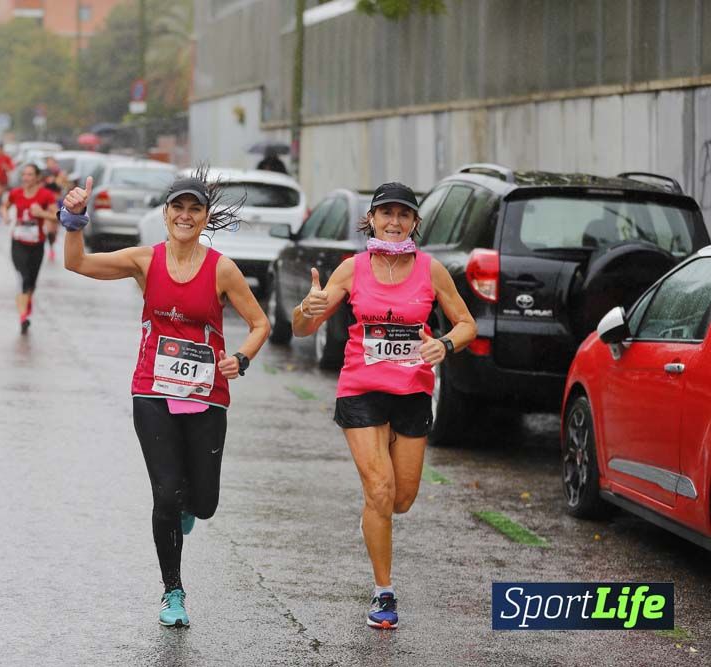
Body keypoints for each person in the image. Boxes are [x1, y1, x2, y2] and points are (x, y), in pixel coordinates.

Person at [60, 169, 270, 628]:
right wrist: (74, 219)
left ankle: (190, 507)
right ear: (166, 213)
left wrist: (242, 357)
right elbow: (77, 264)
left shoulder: (222, 269)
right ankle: (173, 591)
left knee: (205, 502)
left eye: (195, 209)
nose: (186, 215)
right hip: (152, 390)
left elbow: (260, 325)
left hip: (207, 395)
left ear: (205, 216)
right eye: (179, 207)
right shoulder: (145, 261)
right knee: (165, 493)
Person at [292, 182, 476, 630]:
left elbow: (466, 323)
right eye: (386, 213)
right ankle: (383, 592)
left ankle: (374, 521)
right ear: (371, 219)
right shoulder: (352, 269)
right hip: (361, 388)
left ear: (415, 223)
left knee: (401, 498)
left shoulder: (431, 271)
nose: (394, 222)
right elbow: (301, 328)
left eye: (403, 215)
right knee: (379, 489)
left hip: (412, 391)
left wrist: (445, 346)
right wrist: (307, 305)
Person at [2, 164, 58, 333]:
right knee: (22, 278)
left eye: (30, 175)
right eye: (24, 175)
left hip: (37, 244)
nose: (26, 178)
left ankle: (27, 301)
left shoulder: (46, 195)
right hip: (18, 242)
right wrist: (5, 215)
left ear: (37, 177)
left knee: (31, 282)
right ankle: (23, 317)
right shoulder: (15, 193)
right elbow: (5, 206)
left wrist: (41, 213)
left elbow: (57, 216)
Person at [41, 156, 69, 262]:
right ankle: (50, 247)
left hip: (58, 202)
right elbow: (51, 183)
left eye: (53, 162)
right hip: (48, 203)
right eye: (49, 162)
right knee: (49, 227)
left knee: (55, 227)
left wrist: (63, 179)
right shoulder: (44, 173)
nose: (51, 164)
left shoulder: (60, 173)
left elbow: (64, 186)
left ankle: (52, 244)